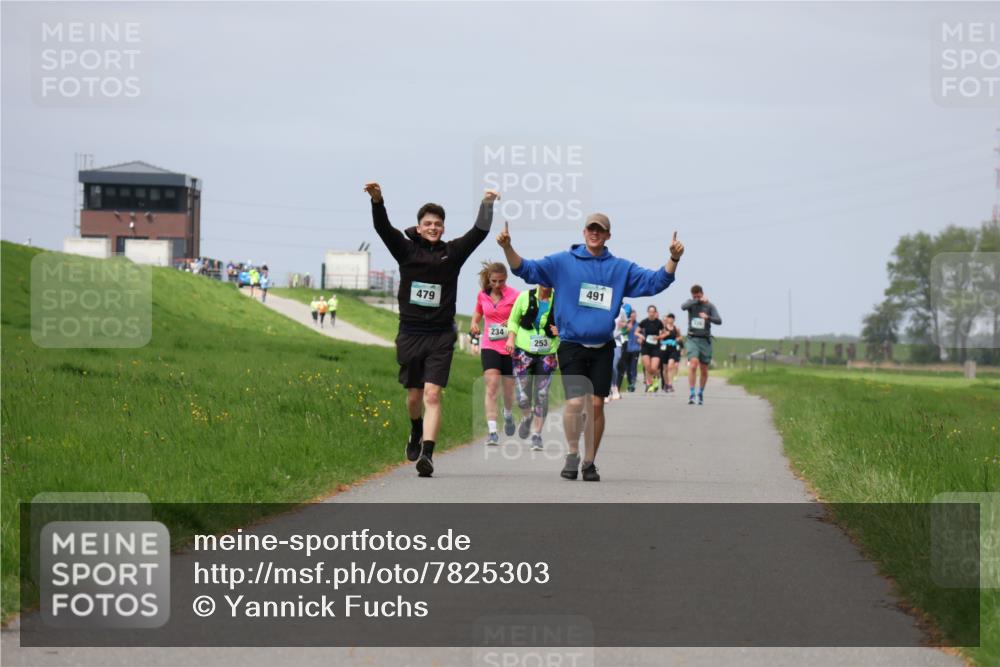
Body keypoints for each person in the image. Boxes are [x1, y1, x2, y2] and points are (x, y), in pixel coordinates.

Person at [497, 215, 684, 482]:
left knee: (596, 406)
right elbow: (526, 270)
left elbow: (655, 282)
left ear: (608, 235)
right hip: (572, 344)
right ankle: (572, 453)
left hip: (603, 347)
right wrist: (507, 247)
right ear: (584, 232)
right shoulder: (562, 262)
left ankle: (589, 462)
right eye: (591, 229)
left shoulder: (620, 269)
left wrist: (673, 260)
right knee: (575, 402)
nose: (595, 234)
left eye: (601, 230)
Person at [365, 181, 499, 478]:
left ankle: (427, 454)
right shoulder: (406, 250)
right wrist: (377, 201)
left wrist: (487, 205)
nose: (433, 227)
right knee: (414, 397)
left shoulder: (452, 253)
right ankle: (415, 429)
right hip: (411, 333)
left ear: (443, 228)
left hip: (441, 335)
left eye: (438, 224)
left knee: (433, 394)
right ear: (419, 226)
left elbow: (479, 233)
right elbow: (384, 229)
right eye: (428, 223)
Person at [470, 262, 519, 446]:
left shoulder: (515, 295)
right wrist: (474, 323)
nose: (498, 285)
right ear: (489, 280)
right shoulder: (483, 295)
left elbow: (522, 317)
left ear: (506, 279)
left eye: (501, 281)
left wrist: (512, 322)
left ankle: (507, 413)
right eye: (494, 281)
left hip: (509, 346)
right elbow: (477, 314)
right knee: (491, 385)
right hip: (490, 345)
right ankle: (492, 431)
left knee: (508, 390)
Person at [505, 285, 559, 450]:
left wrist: (562, 329)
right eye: (542, 283)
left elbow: (571, 321)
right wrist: (510, 339)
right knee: (523, 397)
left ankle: (537, 435)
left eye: (549, 283)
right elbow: (513, 320)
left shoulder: (560, 299)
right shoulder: (524, 297)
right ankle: (527, 417)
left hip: (547, 352)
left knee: (542, 394)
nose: (545, 287)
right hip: (523, 350)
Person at [681, 284, 722, 405]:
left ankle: (701, 392)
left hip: (705, 340)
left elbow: (719, 320)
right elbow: (683, 307)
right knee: (693, 364)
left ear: (702, 293)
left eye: (699, 295)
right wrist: (696, 301)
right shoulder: (690, 303)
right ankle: (692, 393)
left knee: (704, 369)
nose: (697, 298)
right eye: (694, 296)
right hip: (692, 338)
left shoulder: (709, 306)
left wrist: (708, 317)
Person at [607, 303, 632, 403]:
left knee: (614, 364)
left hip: (616, 341)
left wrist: (624, 325)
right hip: (604, 340)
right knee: (606, 366)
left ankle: (614, 387)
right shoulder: (603, 307)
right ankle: (606, 391)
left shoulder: (621, 310)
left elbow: (626, 323)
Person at [636, 305, 665, 393]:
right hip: (646, 347)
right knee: (648, 367)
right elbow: (636, 332)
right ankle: (649, 384)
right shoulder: (644, 322)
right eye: (650, 312)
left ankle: (655, 380)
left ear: (655, 312)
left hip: (655, 347)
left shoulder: (659, 322)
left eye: (653, 312)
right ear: (648, 312)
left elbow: (665, 333)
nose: (651, 313)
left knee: (654, 367)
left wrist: (659, 337)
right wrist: (640, 335)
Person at [658, 312, 683, 392]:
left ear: (674, 320)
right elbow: (659, 337)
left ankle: (670, 384)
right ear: (667, 319)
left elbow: (680, 337)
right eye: (669, 318)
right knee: (665, 368)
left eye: (672, 318)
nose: (671, 320)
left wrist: (678, 339)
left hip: (673, 349)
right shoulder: (663, 328)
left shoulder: (676, 328)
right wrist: (664, 335)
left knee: (670, 366)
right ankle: (665, 384)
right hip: (664, 349)